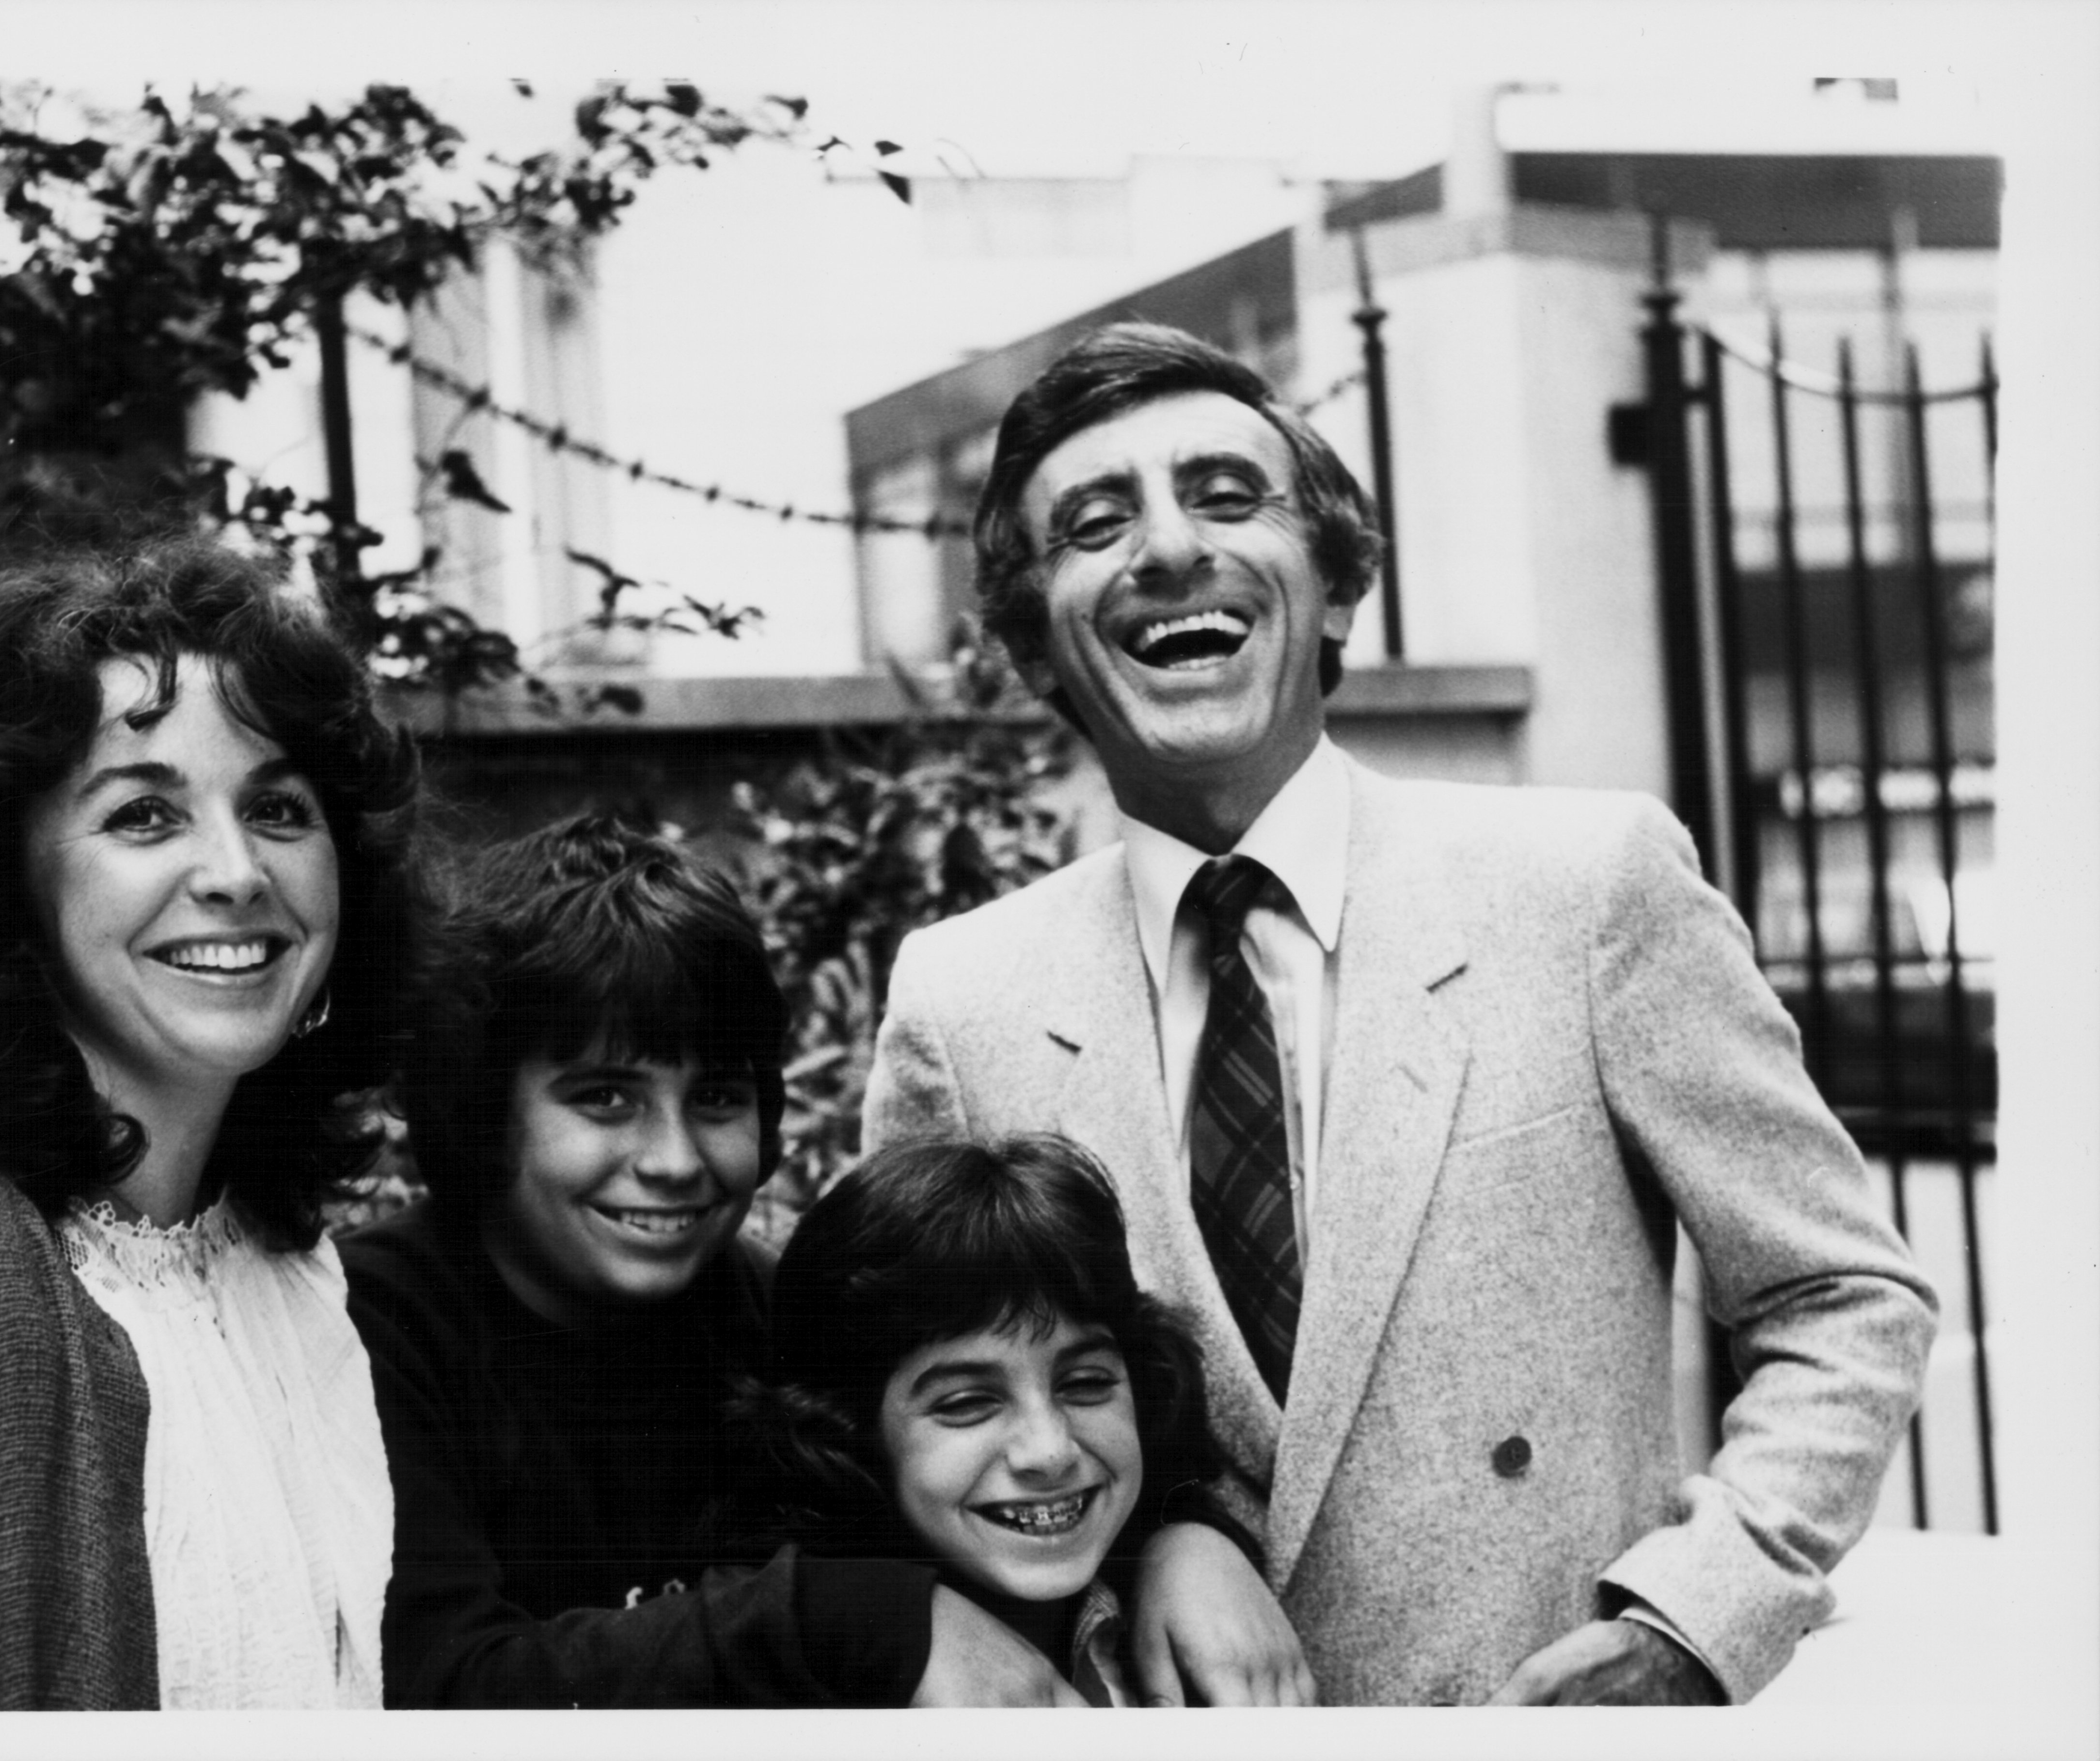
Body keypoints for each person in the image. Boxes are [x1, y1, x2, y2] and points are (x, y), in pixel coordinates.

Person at [862, 321, 1940, 1706]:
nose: (1168, 548)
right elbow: (899, 1419)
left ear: (1334, 591)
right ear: (1032, 648)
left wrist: (1687, 1626)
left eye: (1227, 496)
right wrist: (1164, 1528)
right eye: (1093, 522)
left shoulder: (1582, 886)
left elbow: (1839, 1297)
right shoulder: (961, 997)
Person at [341, 813, 1299, 1707]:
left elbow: (1028, 1454)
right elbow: (437, 1686)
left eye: (717, 1097)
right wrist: (868, 1616)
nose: (675, 1160)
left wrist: (1186, 1536)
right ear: (474, 1106)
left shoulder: (768, 1304)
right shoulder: (368, 1327)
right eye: (605, 1098)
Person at [0, 537, 420, 1709]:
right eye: (143, 817)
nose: (236, 872)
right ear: (4, 882)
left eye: (278, 806)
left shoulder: (286, 1261)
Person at [746, 1134, 1242, 1708]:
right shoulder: (788, 1685)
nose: (1050, 1451)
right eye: (966, 1404)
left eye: (1085, 1385)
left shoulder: (1199, 1626)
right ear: (847, 1436)